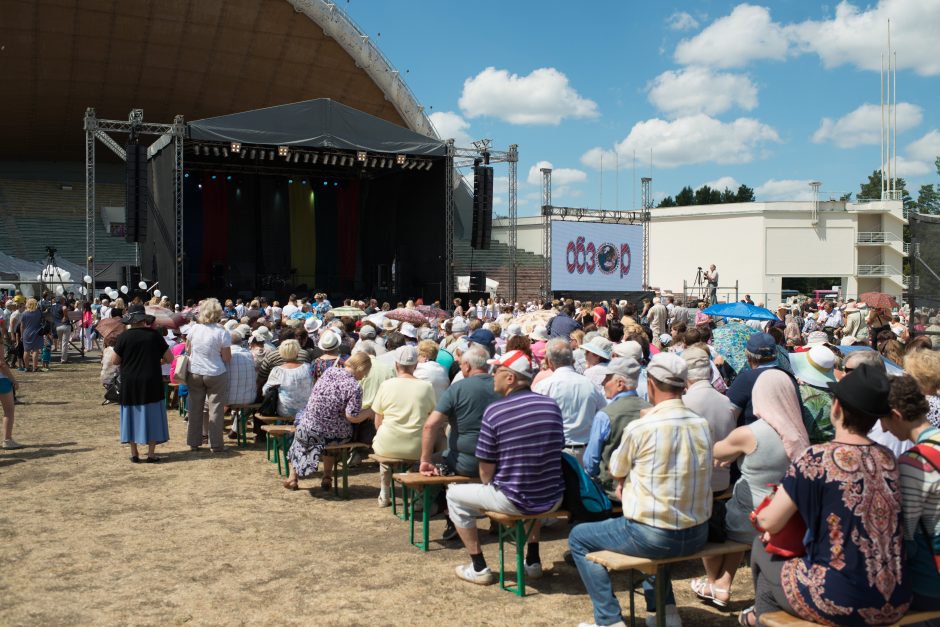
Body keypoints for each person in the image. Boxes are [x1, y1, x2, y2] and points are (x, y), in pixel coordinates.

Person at [747, 363, 910, 626]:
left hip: (840, 599)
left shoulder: (816, 459)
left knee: (762, 549)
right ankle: (757, 616)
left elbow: (770, 522)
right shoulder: (887, 458)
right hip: (896, 598)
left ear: (836, 407)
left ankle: (759, 618)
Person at [569, 353, 712, 627]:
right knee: (657, 529)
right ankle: (665, 611)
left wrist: (626, 482)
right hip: (697, 533)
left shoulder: (642, 427)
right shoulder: (701, 425)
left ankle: (608, 620)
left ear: (652, 385)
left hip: (654, 534)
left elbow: (616, 468)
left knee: (578, 537)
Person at [691, 370, 809, 609]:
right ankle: (722, 584)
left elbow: (714, 452)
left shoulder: (749, 433)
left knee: (710, 518)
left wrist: (732, 453)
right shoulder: (799, 433)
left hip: (749, 519)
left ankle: (714, 582)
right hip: (784, 519)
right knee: (736, 512)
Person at [447, 350, 565, 585]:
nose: (492, 376)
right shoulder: (551, 406)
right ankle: (532, 560)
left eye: (496, 371)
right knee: (531, 482)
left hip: (516, 498)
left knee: (453, 494)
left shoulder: (496, 411)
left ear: (510, 378)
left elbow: (485, 473)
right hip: (553, 496)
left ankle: (479, 567)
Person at [883, 375, 940, 615]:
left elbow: (907, 538)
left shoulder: (912, 462)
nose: (884, 428)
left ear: (896, 414)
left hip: (930, 586)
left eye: (884, 420)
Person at [282, 352, 372, 491]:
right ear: (360, 369)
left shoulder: (329, 372)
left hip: (309, 428)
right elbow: (352, 417)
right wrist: (370, 412)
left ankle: (293, 477)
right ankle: (327, 476)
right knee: (333, 431)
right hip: (334, 434)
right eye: (365, 372)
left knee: (304, 431)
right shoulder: (355, 387)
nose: (365, 376)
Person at [372, 345, 436, 507]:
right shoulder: (426, 387)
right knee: (419, 456)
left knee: (385, 456)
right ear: (415, 366)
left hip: (387, 443)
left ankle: (384, 492)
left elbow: (378, 421)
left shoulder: (386, 385)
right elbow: (431, 418)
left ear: (396, 365)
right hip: (416, 446)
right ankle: (418, 497)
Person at [111, 305, 173, 463]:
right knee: (152, 415)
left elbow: (115, 361)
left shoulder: (124, 337)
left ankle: (134, 453)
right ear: (144, 319)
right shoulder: (154, 335)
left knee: (131, 415)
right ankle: (151, 454)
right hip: (151, 379)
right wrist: (157, 360)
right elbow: (170, 358)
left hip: (130, 380)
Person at [582, 357, 650, 499]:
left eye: (607, 379)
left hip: (611, 493)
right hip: (645, 490)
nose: (603, 383)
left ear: (620, 384)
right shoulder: (651, 410)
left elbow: (590, 463)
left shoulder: (605, 415)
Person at [533, 338, 606, 464]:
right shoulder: (589, 384)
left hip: (557, 452)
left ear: (549, 362)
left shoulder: (544, 386)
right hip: (585, 451)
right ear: (571, 359)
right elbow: (604, 414)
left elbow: (535, 420)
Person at [680, 347, 736, 494]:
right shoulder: (726, 402)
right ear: (710, 372)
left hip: (692, 487)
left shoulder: (682, 404)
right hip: (721, 483)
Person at [186, 298, 232, 453]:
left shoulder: (194, 329)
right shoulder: (222, 332)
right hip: (216, 373)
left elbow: (189, 351)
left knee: (195, 408)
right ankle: (216, 444)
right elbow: (226, 358)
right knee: (216, 410)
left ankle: (194, 442)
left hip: (195, 371)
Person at [726, 333, 802, 426]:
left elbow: (727, 415)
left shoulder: (745, 379)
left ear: (748, 356)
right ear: (776, 353)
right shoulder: (789, 377)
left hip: (754, 438)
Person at [262, 339, 312, 419]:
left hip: (285, 411)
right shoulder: (308, 367)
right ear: (297, 351)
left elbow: (265, 391)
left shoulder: (277, 370)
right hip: (306, 410)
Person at [904, 348, 940, 428]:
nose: (905, 375)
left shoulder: (927, 405)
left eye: (908, 372)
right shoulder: (934, 399)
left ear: (920, 377)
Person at [0, 358, 22, 449]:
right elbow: (1, 364)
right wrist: (14, 380)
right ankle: (7, 440)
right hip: (1, 380)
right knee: (9, 410)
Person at [19, 298, 43, 373]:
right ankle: (34, 367)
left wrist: (22, 335)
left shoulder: (24, 313)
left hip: (26, 333)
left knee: (26, 350)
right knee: (35, 350)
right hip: (36, 332)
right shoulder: (38, 312)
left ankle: (26, 367)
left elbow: (22, 326)